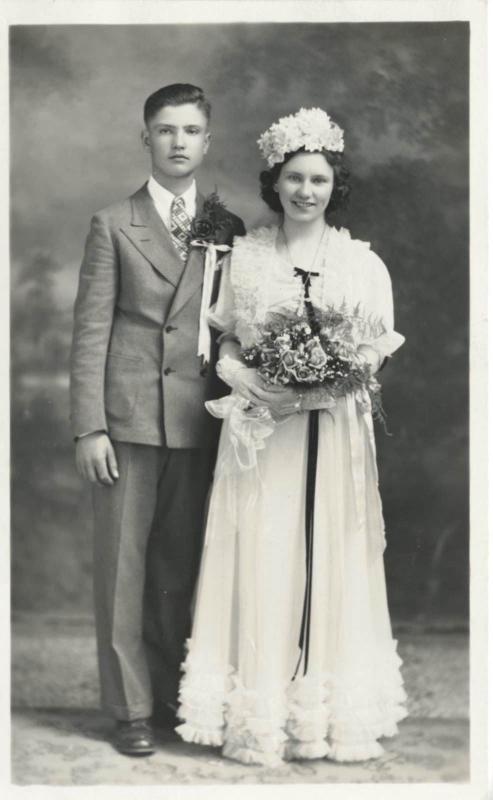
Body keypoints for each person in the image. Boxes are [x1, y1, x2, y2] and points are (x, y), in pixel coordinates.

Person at [175, 107, 407, 765]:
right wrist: (244, 378)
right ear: (274, 182)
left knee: (329, 551)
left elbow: (376, 346)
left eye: (319, 179)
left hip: (332, 433)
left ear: (335, 186)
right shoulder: (244, 258)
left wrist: (328, 380)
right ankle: (259, 720)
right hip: (260, 432)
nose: (307, 191)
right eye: (294, 178)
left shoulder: (360, 263)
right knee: (264, 551)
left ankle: (325, 719)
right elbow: (221, 337)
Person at [69, 83, 245, 756]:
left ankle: (178, 699)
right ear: (145, 137)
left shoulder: (228, 229)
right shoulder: (113, 222)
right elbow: (90, 332)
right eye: (165, 129)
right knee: (123, 569)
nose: (177, 142)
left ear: (207, 140)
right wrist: (90, 426)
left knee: (179, 567)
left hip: (200, 422)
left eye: (190, 130)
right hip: (129, 418)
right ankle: (129, 710)